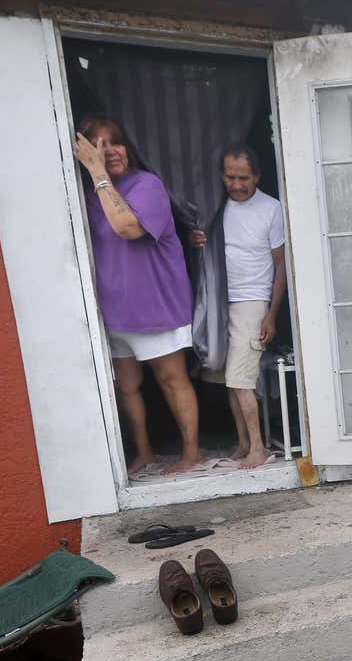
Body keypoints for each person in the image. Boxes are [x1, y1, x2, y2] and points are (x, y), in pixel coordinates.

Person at [72, 115, 204, 475]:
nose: (110, 151)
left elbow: (127, 227)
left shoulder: (147, 185)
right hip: (114, 309)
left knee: (171, 379)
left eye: (116, 142)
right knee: (127, 386)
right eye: (98, 145)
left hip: (155, 306)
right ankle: (144, 451)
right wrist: (97, 180)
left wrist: (98, 173)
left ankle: (192, 453)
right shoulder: (87, 195)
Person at [192, 144, 285, 470]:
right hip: (219, 298)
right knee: (226, 377)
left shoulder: (272, 209)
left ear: (257, 175)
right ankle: (244, 442)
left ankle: (258, 448)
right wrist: (196, 242)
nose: (236, 184)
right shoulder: (214, 207)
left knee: (240, 378)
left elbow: (281, 266)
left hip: (253, 300)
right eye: (230, 177)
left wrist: (272, 314)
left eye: (243, 177)